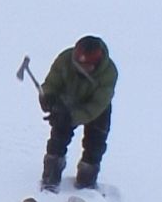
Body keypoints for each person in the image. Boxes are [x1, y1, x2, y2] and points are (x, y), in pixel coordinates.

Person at [39, 35, 118, 191]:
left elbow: (97, 104)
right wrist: (48, 98)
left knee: (95, 145)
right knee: (58, 139)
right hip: (66, 102)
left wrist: (72, 117)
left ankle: (86, 180)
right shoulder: (65, 59)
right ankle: (51, 176)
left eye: (87, 66)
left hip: (97, 110)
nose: (81, 69)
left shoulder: (109, 73)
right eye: (78, 64)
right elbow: (51, 83)